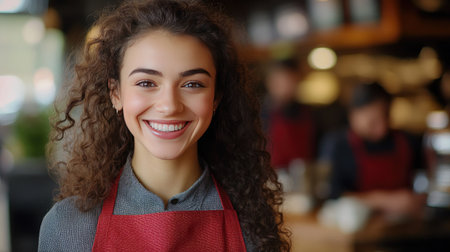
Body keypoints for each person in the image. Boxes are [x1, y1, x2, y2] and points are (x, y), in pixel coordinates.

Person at [38, 1, 290, 251]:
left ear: (216, 97)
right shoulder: (68, 228)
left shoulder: (252, 226)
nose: (169, 106)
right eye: (147, 83)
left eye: (192, 84)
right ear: (116, 93)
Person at [327, 82, 422, 217]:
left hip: (408, 227)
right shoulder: (338, 145)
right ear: (353, 116)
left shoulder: (407, 141)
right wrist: (385, 201)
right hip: (358, 230)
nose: (382, 129)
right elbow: (333, 195)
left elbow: (424, 184)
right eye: (373, 122)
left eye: (386, 118)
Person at [261, 58, 316, 169]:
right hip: (270, 178)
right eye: (280, 81)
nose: (286, 86)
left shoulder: (308, 113)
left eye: (290, 80)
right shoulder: (259, 114)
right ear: (270, 82)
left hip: (303, 179)